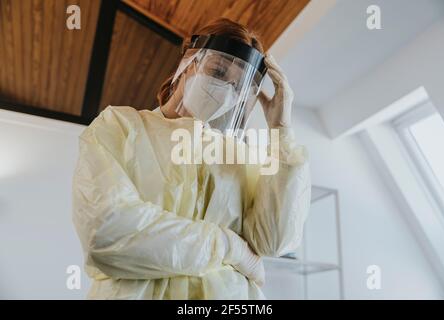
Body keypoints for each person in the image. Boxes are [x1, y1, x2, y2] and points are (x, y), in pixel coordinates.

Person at [72, 18, 311, 300]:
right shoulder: (120, 126)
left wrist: (280, 132)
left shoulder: (237, 155)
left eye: (237, 85)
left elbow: (273, 240)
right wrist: (229, 248)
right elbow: (107, 232)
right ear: (189, 60)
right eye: (218, 70)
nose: (225, 89)